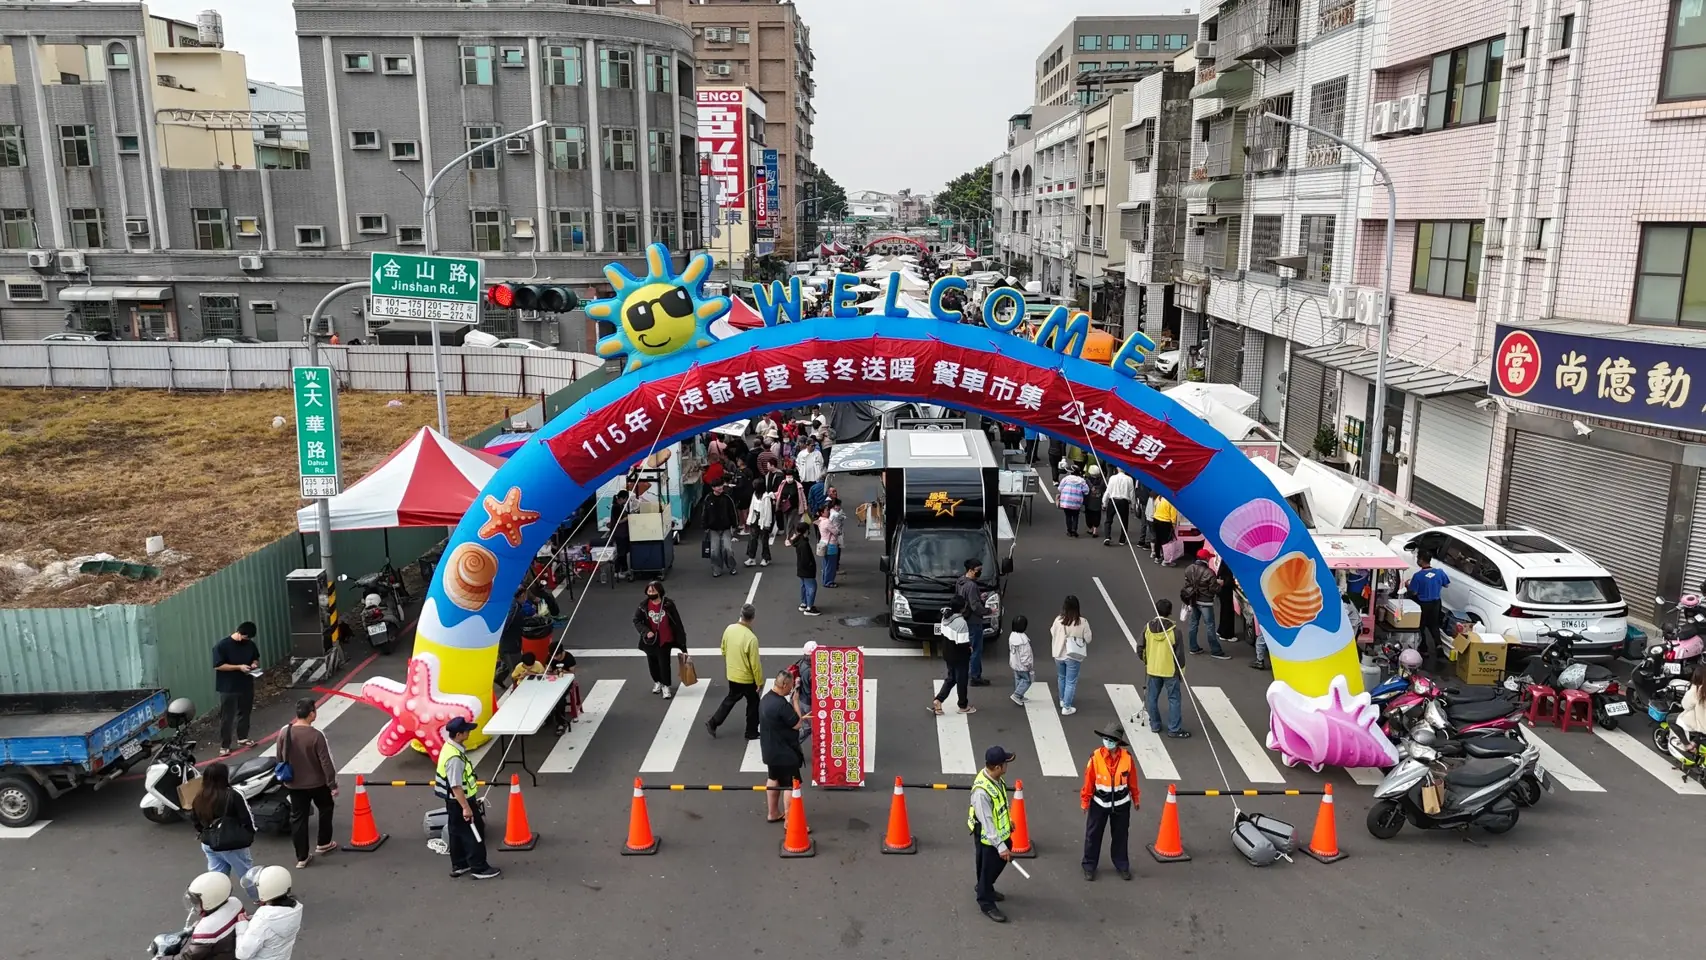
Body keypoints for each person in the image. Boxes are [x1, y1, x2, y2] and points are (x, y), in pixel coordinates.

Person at [277, 698, 339, 870]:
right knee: (326, 808)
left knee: (298, 819)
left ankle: (302, 857)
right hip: (318, 784)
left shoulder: (284, 732)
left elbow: (279, 757)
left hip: (294, 784)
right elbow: (326, 763)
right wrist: (332, 784)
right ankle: (324, 842)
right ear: (311, 713)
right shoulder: (316, 736)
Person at [434, 717, 500, 879]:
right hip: (460, 800)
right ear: (458, 734)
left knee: (456, 832)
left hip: (452, 801)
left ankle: (460, 864)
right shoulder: (454, 758)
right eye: (466, 730)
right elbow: (456, 785)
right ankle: (479, 868)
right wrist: (466, 807)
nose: (469, 732)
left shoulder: (449, 747)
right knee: (474, 833)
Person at [1079, 719, 1138, 881]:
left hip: (1121, 805)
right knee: (1093, 836)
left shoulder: (1127, 758)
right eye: (1106, 738)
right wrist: (1085, 800)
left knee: (1121, 836)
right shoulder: (1095, 757)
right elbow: (1089, 781)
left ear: (1118, 742)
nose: (1107, 742)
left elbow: (1132, 780)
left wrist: (1136, 798)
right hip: (1099, 804)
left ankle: (1122, 865)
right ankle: (1089, 866)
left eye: (1111, 739)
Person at [968, 745, 1018, 923]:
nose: (1007, 766)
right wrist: (1000, 846)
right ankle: (986, 901)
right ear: (997, 767)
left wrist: (1008, 821)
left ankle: (985, 886)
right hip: (988, 838)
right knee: (989, 866)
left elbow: (1000, 804)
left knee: (991, 867)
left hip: (999, 833)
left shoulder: (995, 779)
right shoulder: (981, 793)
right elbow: (987, 823)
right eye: (1005, 763)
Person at [189, 762, 255, 880]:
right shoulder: (233, 795)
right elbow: (247, 818)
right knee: (247, 877)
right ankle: (258, 898)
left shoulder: (199, 797)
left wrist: (204, 833)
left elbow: (194, 819)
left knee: (217, 879)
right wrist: (248, 835)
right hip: (232, 843)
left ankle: (217, 898)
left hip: (209, 843)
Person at [706, 604, 763, 740]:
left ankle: (714, 722)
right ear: (753, 618)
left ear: (741, 615)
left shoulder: (729, 629)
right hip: (747, 678)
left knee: (731, 698)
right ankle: (751, 731)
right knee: (753, 703)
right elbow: (755, 664)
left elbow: (723, 648)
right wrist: (759, 681)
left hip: (732, 674)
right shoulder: (751, 638)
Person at [759, 670, 806, 823]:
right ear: (784, 685)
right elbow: (798, 724)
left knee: (773, 778)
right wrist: (796, 702)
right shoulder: (781, 705)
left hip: (769, 750)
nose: (791, 689)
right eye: (790, 686)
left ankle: (773, 813)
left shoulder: (765, 699)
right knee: (790, 785)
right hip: (785, 753)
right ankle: (790, 820)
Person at [1140, 599, 1190, 738]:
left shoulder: (1147, 628)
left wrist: (1147, 660)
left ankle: (1155, 724)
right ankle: (1174, 728)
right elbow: (1179, 655)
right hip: (1170, 671)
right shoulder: (1175, 631)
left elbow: (1140, 648)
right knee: (1174, 699)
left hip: (1152, 669)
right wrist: (1181, 671)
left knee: (1152, 698)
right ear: (1170, 612)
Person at [212, 622, 261, 756]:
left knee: (245, 712)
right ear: (240, 634)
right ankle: (225, 745)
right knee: (227, 716)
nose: (247, 641)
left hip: (246, 683)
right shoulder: (222, 646)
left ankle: (243, 737)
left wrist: (254, 664)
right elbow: (218, 665)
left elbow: (256, 657)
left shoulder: (250, 644)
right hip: (228, 687)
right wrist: (239, 667)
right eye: (246, 638)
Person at [235, 866, 303, 960]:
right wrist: (255, 919)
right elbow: (276, 920)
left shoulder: (262, 922)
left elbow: (242, 954)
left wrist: (242, 926)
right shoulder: (296, 908)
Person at [633, 580, 685, 699]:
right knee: (652, 663)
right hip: (651, 641)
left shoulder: (668, 604)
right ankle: (657, 682)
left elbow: (677, 621)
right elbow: (636, 620)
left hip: (665, 640)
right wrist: (646, 632)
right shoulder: (643, 606)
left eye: (653, 591)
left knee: (664, 663)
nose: (651, 593)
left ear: (659, 591)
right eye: (649, 591)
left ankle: (666, 685)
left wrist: (681, 638)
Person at [182, 871, 245, 960]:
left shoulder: (205, 929)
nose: (193, 904)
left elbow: (189, 957)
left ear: (210, 901)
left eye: (195, 901)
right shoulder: (235, 903)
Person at [932, 597, 976, 715]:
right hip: (959, 657)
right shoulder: (961, 623)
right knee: (961, 680)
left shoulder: (946, 616)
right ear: (963, 608)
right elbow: (962, 644)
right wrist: (969, 649)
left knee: (952, 678)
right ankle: (963, 705)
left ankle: (939, 700)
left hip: (948, 653)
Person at [1050, 595, 1092, 715]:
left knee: (1061, 677)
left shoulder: (1058, 620)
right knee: (1071, 681)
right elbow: (1088, 639)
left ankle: (1062, 700)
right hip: (1073, 655)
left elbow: (1052, 632)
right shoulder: (1082, 622)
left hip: (1058, 654)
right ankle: (1067, 707)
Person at [1183, 549, 1229, 659]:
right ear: (1206, 559)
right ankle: (1215, 650)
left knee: (1193, 624)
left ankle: (1193, 647)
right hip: (1206, 602)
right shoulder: (1209, 572)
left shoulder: (1189, 569)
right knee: (1210, 625)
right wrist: (1220, 584)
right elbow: (1214, 589)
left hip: (1193, 600)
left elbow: (1187, 584)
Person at [1407, 549, 1451, 659]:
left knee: (1421, 626)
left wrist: (1408, 585)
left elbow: (1414, 592)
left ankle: (1424, 649)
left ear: (1421, 560)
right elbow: (1446, 585)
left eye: (1418, 559)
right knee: (1434, 625)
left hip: (1423, 604)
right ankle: (1439, 645)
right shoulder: (1439, 572)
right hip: (1436, 603)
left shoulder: (1418, 576)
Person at [956, 558, 991, 685]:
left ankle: (968, 673)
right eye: (978, 571)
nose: (979, 573)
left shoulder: (960, 582)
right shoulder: (971, 586)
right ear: (970, 570)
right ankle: (975, 676)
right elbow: (975, 606)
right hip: (974, 621)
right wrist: (989, 611)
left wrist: (978, 597)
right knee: (976, 649)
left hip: (964, 619)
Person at [698, 479, 740, 577]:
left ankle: (732, 567)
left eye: (721, 485)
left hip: (726, 528)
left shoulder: (727, 498)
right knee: (714, 551)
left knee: (727, 549)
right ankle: (716, 569)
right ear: (713, 488)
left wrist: (734, 525)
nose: (720, 488)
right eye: (718, 486)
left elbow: (733, 512)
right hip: (713, 529)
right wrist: (705, 526)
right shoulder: (708, 498)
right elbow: (704, 513)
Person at [743, 466, 777, 567]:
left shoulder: (766, 497)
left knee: (764, 540)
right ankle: (751, 558)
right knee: (752, 539)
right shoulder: (754, 494)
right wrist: (749, 519)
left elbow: (768, 512)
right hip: (755, 518)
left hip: (763, 520)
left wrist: (767, 524)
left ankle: (765, 558)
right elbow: (752, 507)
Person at [1103, 466, 1136, 546]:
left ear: (1117, 469)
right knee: (1124, 521)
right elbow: (1132, 493)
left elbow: (1108, 490)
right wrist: (1133, 505)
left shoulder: (1112, 478)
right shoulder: (1129, 479)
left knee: (1108, 520)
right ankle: (1122, 539)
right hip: (1124, 501)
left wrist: (1104, 502)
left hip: (1113, 500)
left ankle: (1107, 537)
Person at [793, 522, 821, 616]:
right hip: (807, 570)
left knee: (804, 586)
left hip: (801, 569)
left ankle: (804, 603)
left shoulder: (799, 541)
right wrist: (810, 566)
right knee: (812, 587)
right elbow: (806, 559)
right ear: (806, 531)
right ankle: (809, 607)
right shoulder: (804, 544)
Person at [817, 498, 845, 587]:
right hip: (831, 545)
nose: (828, 511)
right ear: (822, 512)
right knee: (831, 565)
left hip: (823, 543)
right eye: (826, 510)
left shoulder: (820, 521)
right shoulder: (827, 522)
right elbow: (836, 532)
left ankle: (825, 580)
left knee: (826, 564)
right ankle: (828, 582)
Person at [1007, 614, 1034, 706]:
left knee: (1018, 679)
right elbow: (1026, 655)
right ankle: (1017, 695)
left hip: (1015, 663)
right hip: (1023, 665)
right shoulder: (1023, 641)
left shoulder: (1012, 636)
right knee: (1027, 681)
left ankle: (1020, 695)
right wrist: (1029, 666)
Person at [1056, 466, 1089, 538]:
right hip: (1077, 501)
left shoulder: (1066, 479)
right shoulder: (1082, 481)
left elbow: (1060, 488)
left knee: (1068, 516)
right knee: (1075, 516)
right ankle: (1074, 530)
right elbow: (1086, 491)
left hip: (1066, 501)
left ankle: (1069, 531)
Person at [776, 468, 805, 543]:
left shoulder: (798, 486)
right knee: (789, 522)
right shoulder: (783, 484)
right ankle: (795, 533)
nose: (789, 479)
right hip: (784, 507)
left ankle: (787, 538)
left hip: (794, 507)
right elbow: (779, 493)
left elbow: (802, 497)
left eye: (790, 477)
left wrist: (805, 507)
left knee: (789, 522)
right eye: (787, 477)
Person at [1677, 664, 1706, 737]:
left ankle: (1687, 745)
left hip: (1703, 726)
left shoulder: (1696, 691)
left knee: (1671, 719)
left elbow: (1685, 705)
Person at [1150, 496, 1179, 563]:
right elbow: (1173, 513)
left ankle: (1157, 557)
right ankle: (1166, 559)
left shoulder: (1158, 498)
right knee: (1166, 541)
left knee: (1158, 539)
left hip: (1156, 520)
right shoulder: (1170, 501)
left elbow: (1154, 509)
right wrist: (1174, 523)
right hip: (1165, 522)